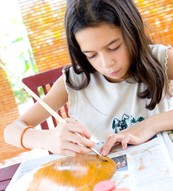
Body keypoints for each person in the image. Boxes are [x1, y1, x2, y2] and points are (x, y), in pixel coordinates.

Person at [4, 0, 173, 157]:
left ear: (132, 32)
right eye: (91, 55)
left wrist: (150, 125)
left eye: (113, 47)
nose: (107, 63)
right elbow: (11, 131)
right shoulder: (74, 81)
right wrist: (46, 139)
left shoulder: (161, 60)